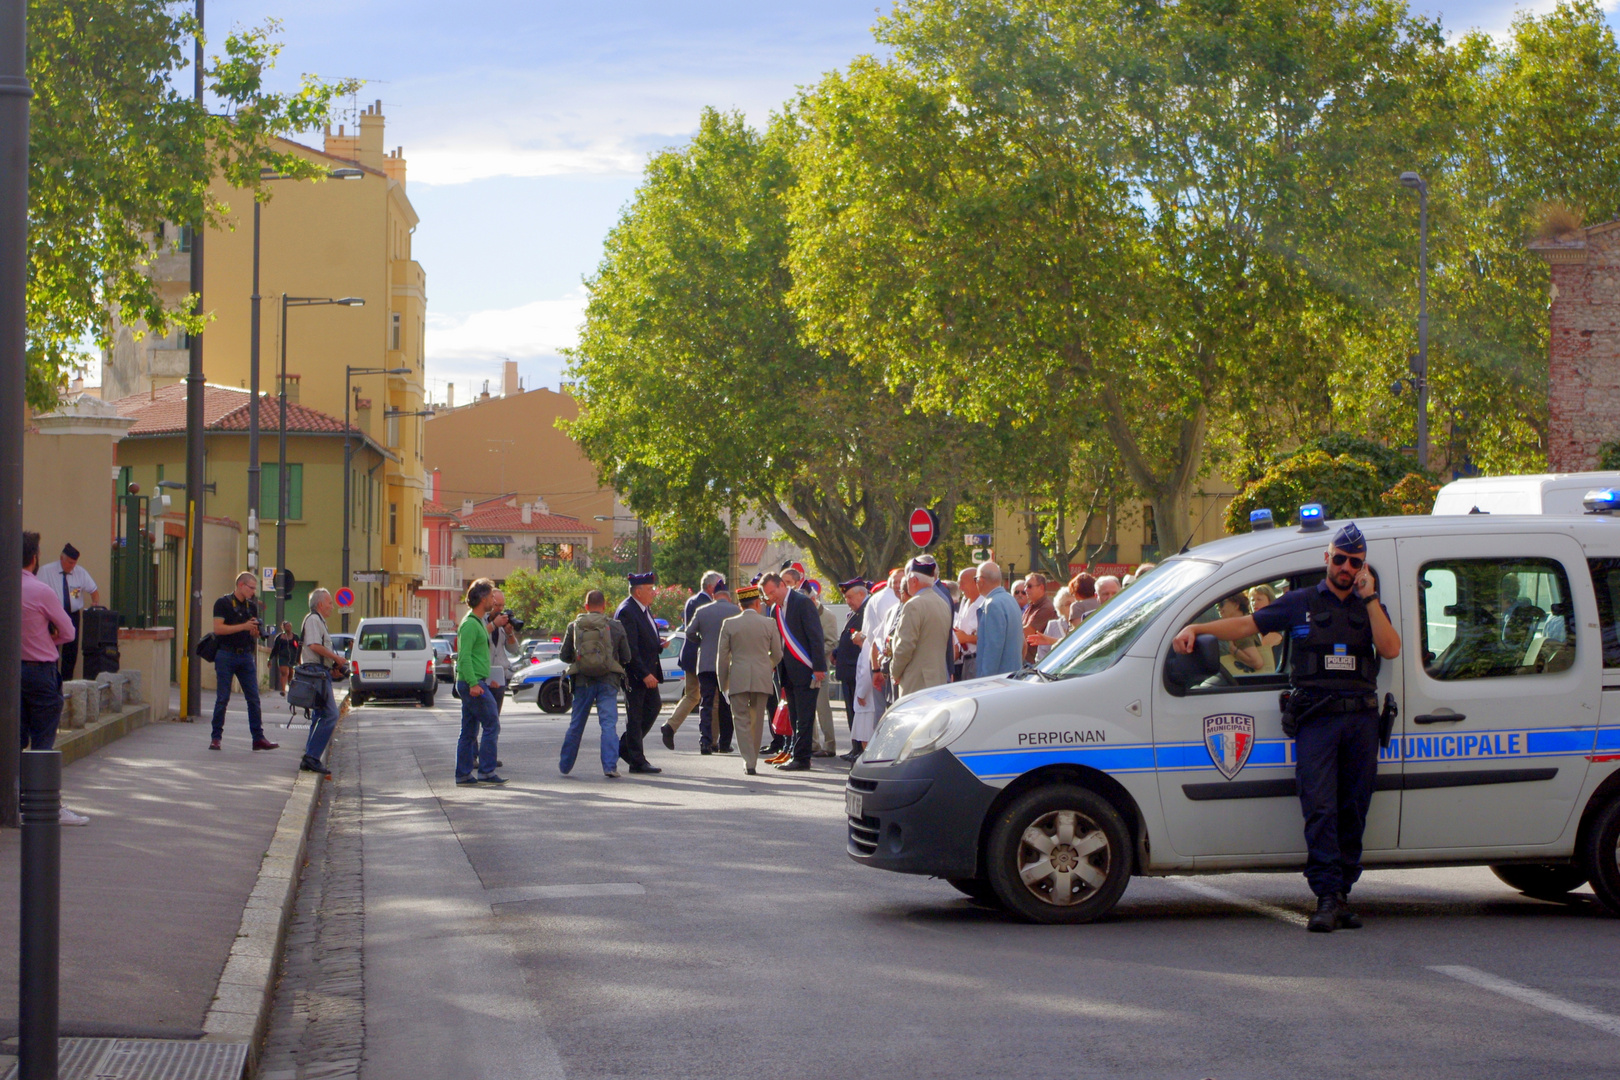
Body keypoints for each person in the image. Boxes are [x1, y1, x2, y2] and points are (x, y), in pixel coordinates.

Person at [1173, 522, 1400, 933]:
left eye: (1356, 562)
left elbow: (1390, 648)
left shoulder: (1368, 607)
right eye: (1341, 559)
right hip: (1317, 720)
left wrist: (1370, 599)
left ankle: (1343, 893)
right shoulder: (1300, 602)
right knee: (1320, 808)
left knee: (1354, 808)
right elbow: (1246, 626)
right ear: (1326, 559)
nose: (1347, 567)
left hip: (1360, 721)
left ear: (1363, 567)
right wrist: (1197, 627)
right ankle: (1327, 896)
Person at [20, 531, 88, 825]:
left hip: (10, 670)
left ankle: (13, 801)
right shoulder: (40, 589)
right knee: (44, 739)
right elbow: (70, 632)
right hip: (40, 669)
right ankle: (45, 804)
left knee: (13, 736)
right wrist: (48, 636)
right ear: (35, 559)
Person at [557, 589, 632, 777]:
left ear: (586, 606)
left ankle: (565, 765)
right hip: (608, 681)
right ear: (605, 605)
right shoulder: (615, 626)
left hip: (583, 681)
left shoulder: (574, 626)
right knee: (608, 723)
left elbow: (564, 656)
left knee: (576, 723)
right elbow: (627, 656)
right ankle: (610, 766)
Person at [758, 570, 826, 772]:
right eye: (767, 595)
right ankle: (796, 754)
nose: (770, 597)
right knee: (794, 716)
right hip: (787, 671)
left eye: (772, 592)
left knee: (805, 717)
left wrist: (819, 666)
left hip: (807, 669)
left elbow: (815, 635)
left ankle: (802, 758)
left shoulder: (802, 602)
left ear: (781, 585)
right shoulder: (774, 610)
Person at [716, 583, 783, 775]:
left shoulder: (729, 624)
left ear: (740, 605)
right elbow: (778, 654)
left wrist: (723, 684)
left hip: (738, 677)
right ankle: (752, 759)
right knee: (756, 720)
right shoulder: (769, 623)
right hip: (762, 677)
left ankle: (748, 760)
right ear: (756, 604)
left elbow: (722, 657)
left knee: (741, 719)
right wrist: (767, 665)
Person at [210, 571, 278, 753]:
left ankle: (258, 738)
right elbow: (218, 629)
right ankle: (216, 738)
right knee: (223, 698)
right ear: (241, 585)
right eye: (251, 588)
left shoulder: (251, 607)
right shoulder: (222, 603)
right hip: (226, 654)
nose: (253, 592)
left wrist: (254, 632)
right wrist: (243, 626)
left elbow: (251, 632)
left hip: (246, 655)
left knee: (254, 698)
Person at [454, 577, 506, 786]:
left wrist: (487, 679)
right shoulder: (469, 624)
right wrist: (475, 684)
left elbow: (477, 658)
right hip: (471, 683)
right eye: (492, 596)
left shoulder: (477, 623)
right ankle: (485, 771)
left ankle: (464, 774)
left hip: (477, 681)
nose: (494, 601)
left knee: (469, 730)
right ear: (483, 598)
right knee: (492, 723)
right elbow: (464, 657)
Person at [662, 570, 722, 748]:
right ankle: (712, 740)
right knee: (713, 700)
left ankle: (670, 726)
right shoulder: (707, 604)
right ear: (711, 587)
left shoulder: (693, 601)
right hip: (703, 656)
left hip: (690, 655)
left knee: (692, 695)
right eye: (718, 586)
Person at [614, 571, 665, 775]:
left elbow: (643, 640)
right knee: (635, 716)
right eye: (650, 589)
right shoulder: (628, 611)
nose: (654, 593)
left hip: (648, 670)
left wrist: (657, 645)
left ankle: (627, 747)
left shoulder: (643, 609)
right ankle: (636, 760)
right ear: (638, 591)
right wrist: (643, 673)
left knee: (652, 707)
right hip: (636, 674)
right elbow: (630, 649)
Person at [297, 588, 349, 777]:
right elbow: (313, 645)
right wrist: (335, 657)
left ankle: (310, 757)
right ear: (320, 604)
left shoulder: (319, 621)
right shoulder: (313, 620)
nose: (332, 606)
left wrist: (332, 666)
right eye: (329, 603)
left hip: (321, 671)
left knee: (319, 715)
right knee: (331, 714)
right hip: (315, 672)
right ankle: (311, 756)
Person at [685, 582, 740, 754]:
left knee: (706, 703)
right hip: (728, 664)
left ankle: (705, 742)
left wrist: (702, 641)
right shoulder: (736, 612)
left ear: (714, 596)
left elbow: (689, 632)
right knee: (726, 703)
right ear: (728, 597)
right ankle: (724, 743)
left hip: (706, 663)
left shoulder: (702, 611)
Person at [890, 557, 953, 698]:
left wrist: (895, 672)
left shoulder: (913, 605)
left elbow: (905, 646)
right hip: (937, 678)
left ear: (913, 581)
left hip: (917, 681)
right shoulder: (942, 603)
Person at [35, 542, 99, 681]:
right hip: (53, 615)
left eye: (74, 563)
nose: (72, 566)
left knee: (71, 649)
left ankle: (67, 682)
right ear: (61, 559)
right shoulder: (46, 571)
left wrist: (94, 602)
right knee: (52, 648)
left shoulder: (80, 572)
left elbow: (93, 590)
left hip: (72, 614)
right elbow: (37, 590)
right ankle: (52, 680)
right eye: (70, 563)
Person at [833, 578, 869, 759]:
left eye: (849, 597)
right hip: (848, 671)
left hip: (856, 671)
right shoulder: (854, 613)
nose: (847, 601)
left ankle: (860, 750)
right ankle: (855, 748)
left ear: (861, 594)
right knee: (851, 713)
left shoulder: (866, 612)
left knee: (858, 713)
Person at [974, 560, 1024, 677]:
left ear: (981, 581)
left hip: (998, 680)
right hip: (1012, 675)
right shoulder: (1010, 599)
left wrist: (984, 680)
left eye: (975, 579)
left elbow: (992, 649)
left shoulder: (993, 604)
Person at [807, 579, 840, 757]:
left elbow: (832, 641)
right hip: (805, 667)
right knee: (808, 707)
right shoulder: (803, 614)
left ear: (814, 599)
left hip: (820, 668)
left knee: (822, 706)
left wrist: (815, 656)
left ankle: (829, 744)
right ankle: (813, 744)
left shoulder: (828, 616)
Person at [485, 589, 519, 715]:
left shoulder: (502, 623)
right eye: (496, 605)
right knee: (483, 717)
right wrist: (494, 624)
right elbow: (478, 637)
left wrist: (510, 633)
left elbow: (514, 650)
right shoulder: (481, 621)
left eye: (502, 605)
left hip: (499, 675)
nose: (499, 609)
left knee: (494, 717)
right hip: (483, 675)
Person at [1021, 572, 1057, 664]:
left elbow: (1027, 632)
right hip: (1026, 659)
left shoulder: (1046, 607)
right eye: (1025, 586)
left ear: (1041, 587)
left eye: (1029, 586)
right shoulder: (1031, 605)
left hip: (1035, 662)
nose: (1025, 590)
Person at [953, 567, 981, 682]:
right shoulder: (965, 602)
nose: (960, 588)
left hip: (978, 660)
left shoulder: (986, 604)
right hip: (964, 661)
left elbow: (992, 639)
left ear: (975, 583)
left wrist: (967, 638)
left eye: (963, 583)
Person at [270, 621, 299, 695]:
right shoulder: (279, 637)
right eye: (287, 626)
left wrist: (298, 658)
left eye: (289, 626)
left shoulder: (295, 637)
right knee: (285, 672)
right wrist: (269, 659)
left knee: (291, 672)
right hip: (282, 657)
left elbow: (298, 647)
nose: (288, 628)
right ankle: (283, 690)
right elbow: (275, 649)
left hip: (292, 657)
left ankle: (289, 687)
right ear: (283, 627)